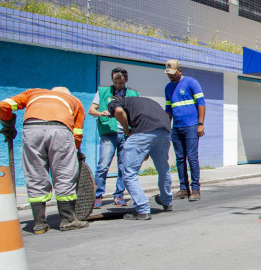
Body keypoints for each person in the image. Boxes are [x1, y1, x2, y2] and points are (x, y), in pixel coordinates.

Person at [0, 87, 89, 233]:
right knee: (64, 173)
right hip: (61, 131)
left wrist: (7, 122)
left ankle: (39, 224)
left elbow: (4, 105)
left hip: (31, 131)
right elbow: (77, 133)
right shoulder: (74, 101)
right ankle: (68, 220)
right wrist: (75, 151)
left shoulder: (33, 93)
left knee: (35, 174)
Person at [107, 96, 173, 220]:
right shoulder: (142, 102)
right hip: (164, 131)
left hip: (143, 132)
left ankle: (142, 209)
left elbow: (119, 112)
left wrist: (126, 130)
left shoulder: (115, 103)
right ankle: (167, 201)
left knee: (129, 172)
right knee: (163, 168)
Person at [88, 67, 139, 208]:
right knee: (103, 165)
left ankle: (119, 195)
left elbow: (136, 114)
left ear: (126, 80)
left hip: (126, 134)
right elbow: (91, 111)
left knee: (124, 166)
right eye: (116, 82)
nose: (118, 85)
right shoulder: (103, 92)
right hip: (108, 132)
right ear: (112, 79)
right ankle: (97, 196)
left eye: (121, 83)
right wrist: (101, 114)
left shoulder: (133, 94)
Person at [164, 60, 205, 201]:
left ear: (179, 71)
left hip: (192, 126)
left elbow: (201, 103)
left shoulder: (191, 83)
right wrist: (165, 127)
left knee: (192, 157)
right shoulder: (168, 88)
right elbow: (168, 110)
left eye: (172, 73)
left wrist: (200, 124)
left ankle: (195, 189)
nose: (170, 76)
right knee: (180, 158)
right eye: (168, 73)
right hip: (177, 128)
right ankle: (183, 188)